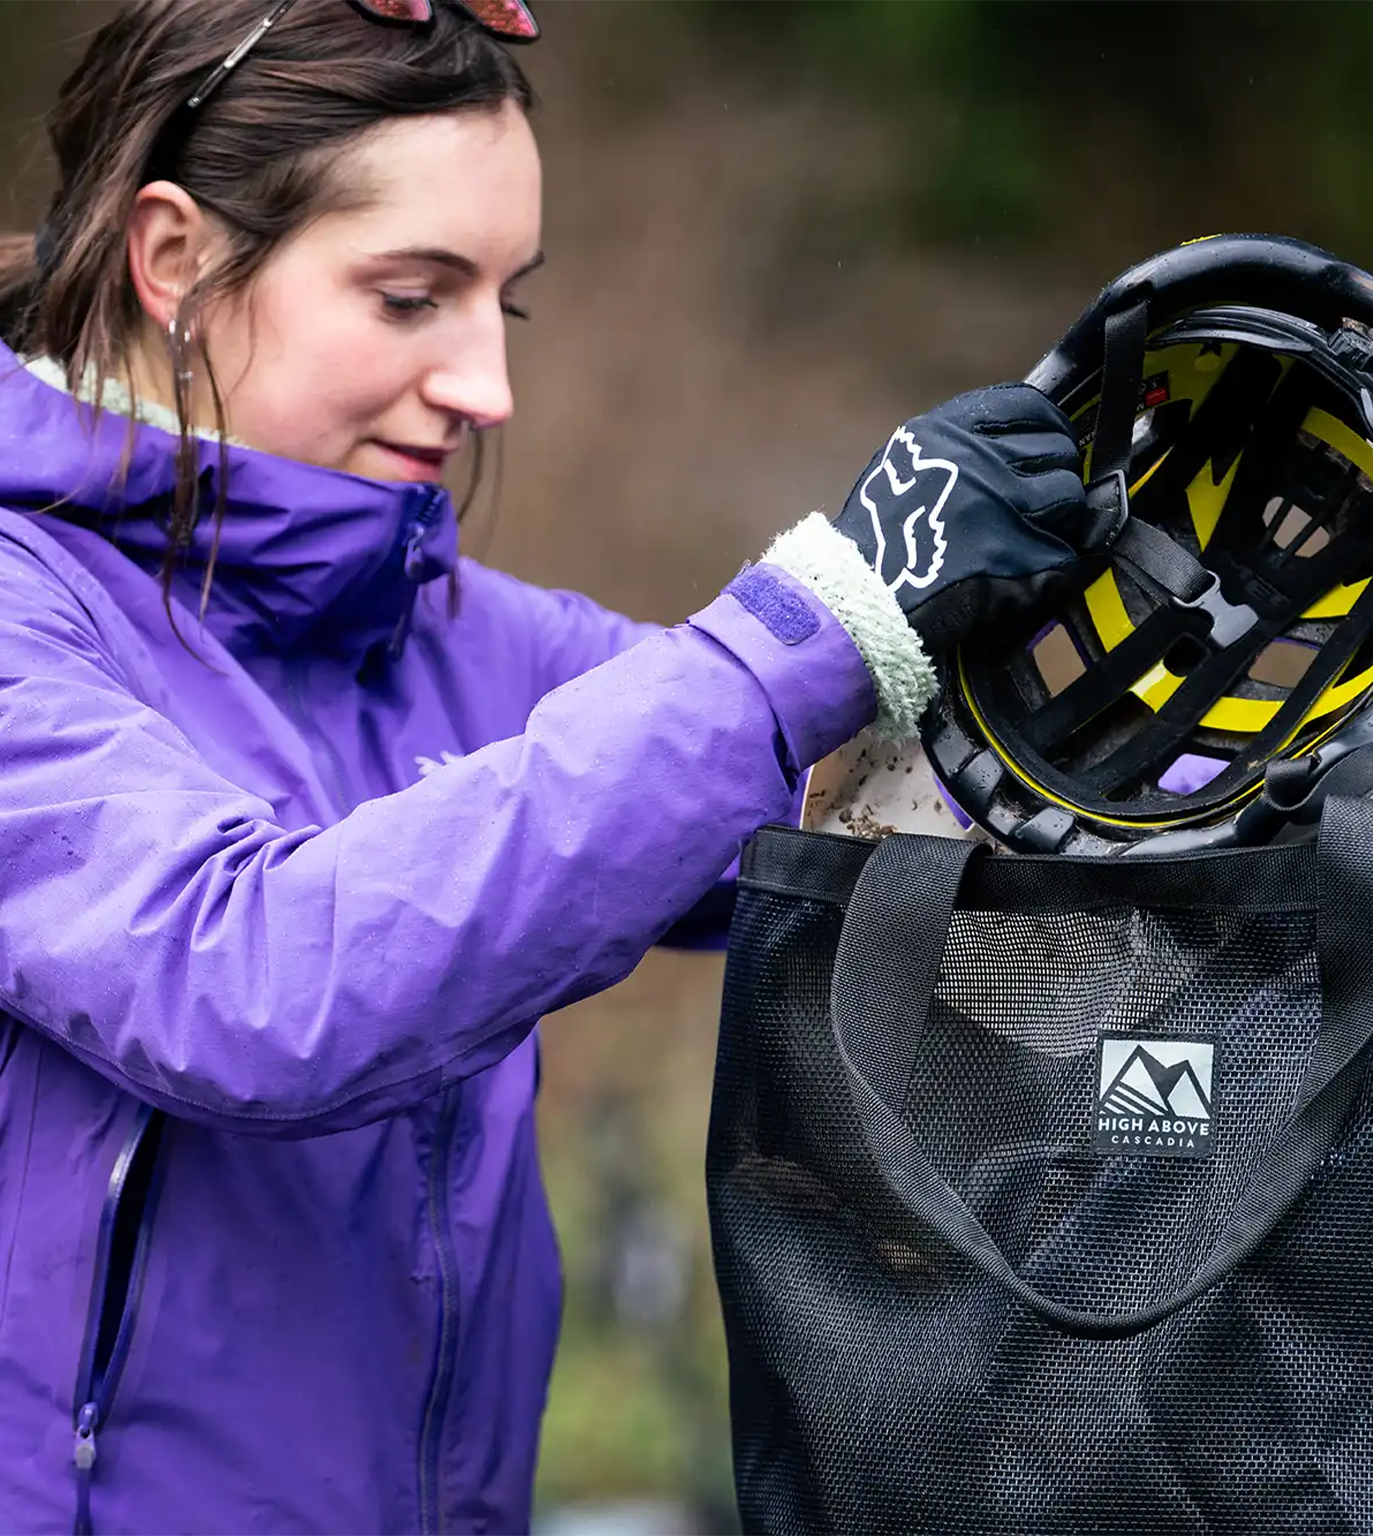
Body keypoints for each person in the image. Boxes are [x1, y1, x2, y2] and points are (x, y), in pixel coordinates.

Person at [0, 2, 1097, 1530]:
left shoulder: (451, 636)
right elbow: (251, 978)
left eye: (500, 308)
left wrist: (1209, 765)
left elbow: (853, 828)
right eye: (407, 296)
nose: (486, 388)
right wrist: (825, 616)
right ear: (173, 256)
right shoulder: (21, 617)